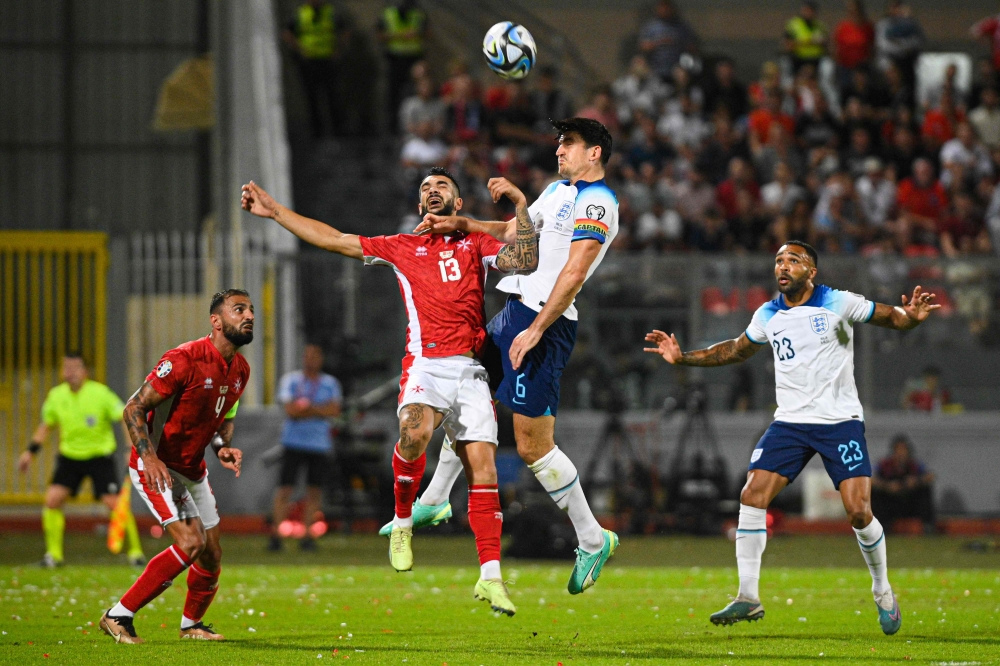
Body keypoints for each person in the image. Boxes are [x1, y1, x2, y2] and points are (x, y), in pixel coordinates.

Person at [242, 166, 538, 616]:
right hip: (426, 364)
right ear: (420, 205)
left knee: (484, 471)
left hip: (471, 371)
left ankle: (490, 578)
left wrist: (519, 206)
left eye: (442, 186)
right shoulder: (402, 247)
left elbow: (527, 261)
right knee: (413, 435)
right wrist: (277, 212)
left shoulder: (475, 242)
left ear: (457, 205)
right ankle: (403, 523)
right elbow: (335, 239)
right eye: (425, 188)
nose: (432, 191)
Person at [644, 240, 939, 634]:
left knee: (858, 511)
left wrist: (912, 316)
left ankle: (882, 590)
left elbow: (892, 317)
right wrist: (684, 357)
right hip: (791, 423)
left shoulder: (838, 301)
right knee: (752, 494)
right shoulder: (768, 313)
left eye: (794, 261)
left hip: (839, 421)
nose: (783, 267)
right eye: (779, 260)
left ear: (811, 271)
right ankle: (748, 597)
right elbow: (735, 349)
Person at [414, 117, 621, 595]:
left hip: (544, 328)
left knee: (532, 447)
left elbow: (574, 271)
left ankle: (593, 539)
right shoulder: (555, 191)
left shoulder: (599, 202)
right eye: (559, 142)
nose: (559, 150)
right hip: (515, 311)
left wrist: (536, 327)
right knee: (459, 381)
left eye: (569, 143)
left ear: (595, 153)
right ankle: (437, 496)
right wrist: (461, 223)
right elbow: (513, 234)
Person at [98, 290, 253, 644]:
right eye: (239, 309)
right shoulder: (183, 359)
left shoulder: (240, 371)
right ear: (216, 321)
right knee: (190, 543)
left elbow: (220, 420)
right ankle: (118, 615)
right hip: (158, 465)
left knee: (212, 554)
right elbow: (133, 408)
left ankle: (191, 625)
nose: (249, 316)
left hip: (192, 467)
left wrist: (222, 448)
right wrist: (149, 457)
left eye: (251, 310)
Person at [18, 353, 145, 568]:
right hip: (70, 458)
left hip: (99, 457)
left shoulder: (100, 393)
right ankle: (54, 556)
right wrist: (29, 452)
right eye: (66, 367)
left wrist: (128, 448)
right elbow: (45, 426)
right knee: (52, 500)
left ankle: (136, 553)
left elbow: (124, 417)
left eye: (75, 367)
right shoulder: (56, 396)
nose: (70, 372)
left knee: (114, 504)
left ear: (85, 371)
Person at [269, 344, 343, 552]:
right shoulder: (291, 380)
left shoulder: (330, 383)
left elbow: (334, 410)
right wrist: (319, 410)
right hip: (293, 443)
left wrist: (307, 409)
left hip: (319, 445)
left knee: (314, 491)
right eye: (308, 356)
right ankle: (276, 535)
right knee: (285, 489)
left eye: (315, 356)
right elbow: (291, 410)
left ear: (321, 359)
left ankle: (308, 536)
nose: (311, 360)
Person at [283, 0, 342, 138]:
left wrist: (338, 49)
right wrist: (299, 49)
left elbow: (343, 30)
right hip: (309, 63)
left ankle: (337, 130)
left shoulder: (330, 13)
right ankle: (317, 132)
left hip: (327, 61)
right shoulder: (300, 14)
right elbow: (287, 33)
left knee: (332, 96)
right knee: (312, 98)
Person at [379, 0, 427, 133]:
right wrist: (400, 36)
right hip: (395, 60)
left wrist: (416, 34)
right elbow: (379, 34)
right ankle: (392, 129)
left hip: (414, 60)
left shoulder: (418, 13)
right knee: (393, 96)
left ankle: (415, 128)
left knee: (414, 95)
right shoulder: (388, 13)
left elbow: (427, 32)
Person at [871, 434, 935, 530]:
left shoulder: (914, 465)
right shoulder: (885, 464)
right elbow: (870, 480)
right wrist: (887, 486)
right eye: (898, 449)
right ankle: (880, 526)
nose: (901, 453)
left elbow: (930, 476)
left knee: (925, 490)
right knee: (875, 492)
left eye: (903, 449)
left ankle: (928, 526)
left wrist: (916, 481)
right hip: (890, 503)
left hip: (909, 502)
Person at [638, 0, 699, 82]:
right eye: (662, 7)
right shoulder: (651, 27)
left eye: (667, 8)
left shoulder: (682, 27)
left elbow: (692, 47)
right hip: (655, 66)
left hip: (677, 66)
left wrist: (677, 43)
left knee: (686, 72)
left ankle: (682, 93)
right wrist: (660, 42)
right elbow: (643, 47)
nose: (665, 10)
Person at [784, 1, 827, 74]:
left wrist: (821, 42)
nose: (807, 13)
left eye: (810, 10)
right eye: (805, 10)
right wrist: (808, 42)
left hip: (816, 60)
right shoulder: (793, 25)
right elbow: (788, 46)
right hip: (798, 60)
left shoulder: (820, 26)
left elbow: (825, 44)